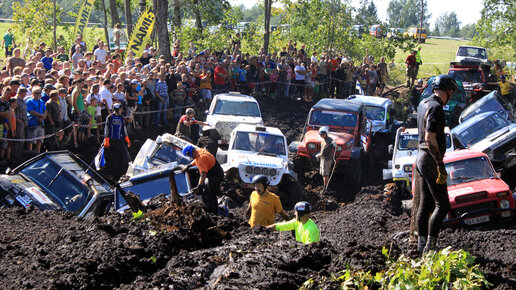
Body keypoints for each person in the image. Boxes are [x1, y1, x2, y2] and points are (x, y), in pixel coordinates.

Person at [414, 75, 456, 253]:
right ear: (449, 92)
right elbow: (429, 138)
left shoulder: (423, 103)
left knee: (426, 204)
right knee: (443, 205)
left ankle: (421, 245)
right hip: (430, 159)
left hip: (420, 158)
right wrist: (440, 163)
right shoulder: (437, 107)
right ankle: (430, 248)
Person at [181, 144, 224, 214]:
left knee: (207, 194)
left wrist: (199, 186)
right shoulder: (200, 151)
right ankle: (215, 210)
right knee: (211, 193)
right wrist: (189, 165)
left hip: (216, 175)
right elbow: (196, 160)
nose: (189, 157)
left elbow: (203, 174)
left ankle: (212, 213)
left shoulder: (201, 159)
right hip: (217, 172)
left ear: (189, 153)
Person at [104, 103, 131, 178]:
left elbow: (123, 128)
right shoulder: (109, 118)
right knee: (110, 158)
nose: (121, 110)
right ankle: (110, 172)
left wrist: (127, 138)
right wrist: (106, 139)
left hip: (120, 140)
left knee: (125, 156)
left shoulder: (121, 118)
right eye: (120, 109)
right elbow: (106, 129)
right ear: (116, 109)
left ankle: (126, 171)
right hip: (111, 141)